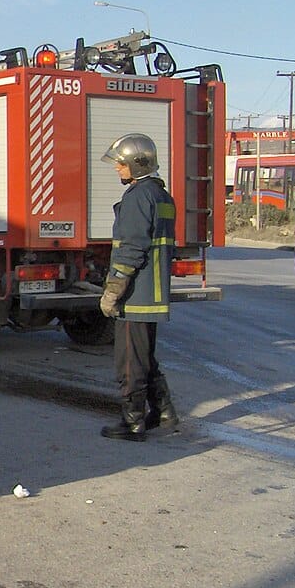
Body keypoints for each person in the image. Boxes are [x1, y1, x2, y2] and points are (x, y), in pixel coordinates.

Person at [98, 132, 180, 441]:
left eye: (121, 164)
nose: (118, 169)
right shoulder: (162, 196)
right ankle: (163, 411)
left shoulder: (137, 197)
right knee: (145, 357)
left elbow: (131, 247)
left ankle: (133, 422)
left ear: (137, 164)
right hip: (153, 294)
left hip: (135, 296)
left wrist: (113, 290)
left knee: (129, 362)